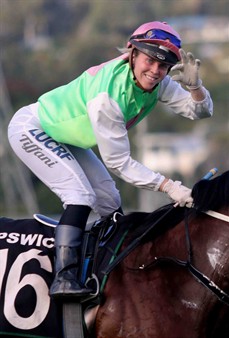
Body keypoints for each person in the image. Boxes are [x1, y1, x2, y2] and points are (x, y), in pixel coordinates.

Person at [8, 21, 213, 299]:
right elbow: (119, 163)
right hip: (33, 128)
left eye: (163, 66)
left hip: (67, 137)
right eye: (150, 61)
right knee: (80, 195)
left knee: (110, 202)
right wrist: (168, 186)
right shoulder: (108, 98)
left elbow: (199, 112)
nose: (155, 71)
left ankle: (103, 268)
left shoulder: (159, 82)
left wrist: (196, 88)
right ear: (132, 53)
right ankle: (64, 277)